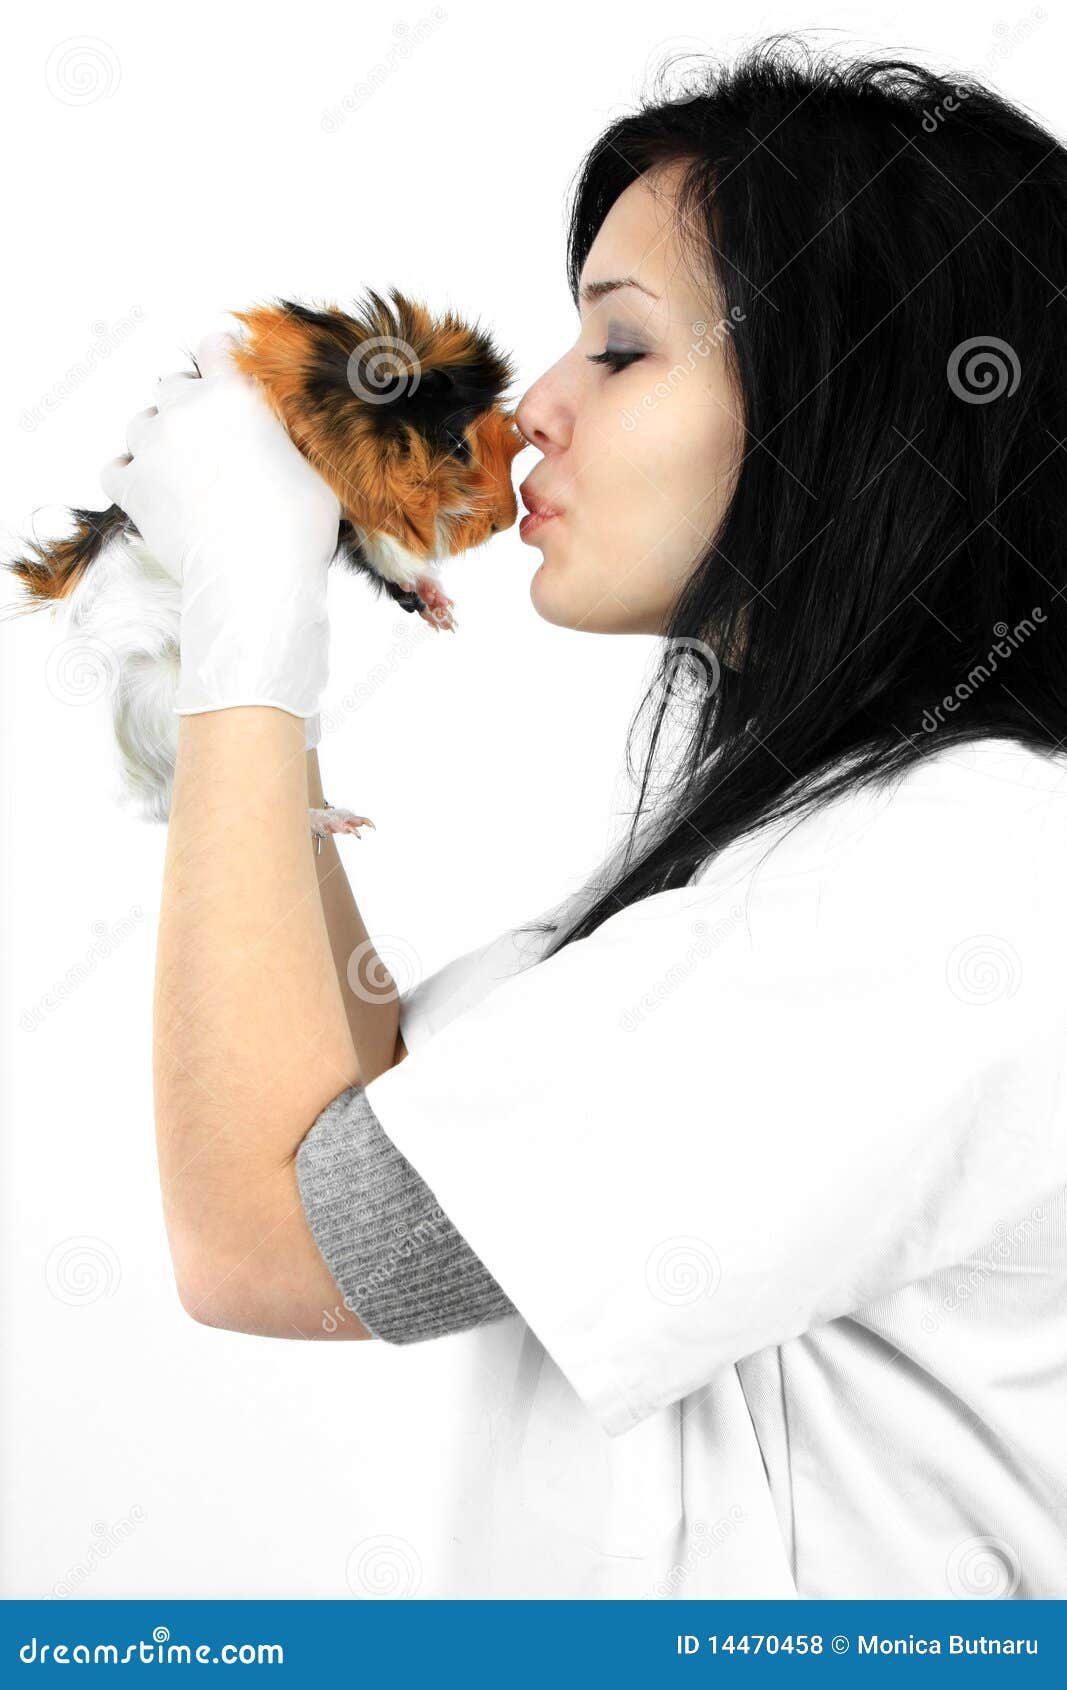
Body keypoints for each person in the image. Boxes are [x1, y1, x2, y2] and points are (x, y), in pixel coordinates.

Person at [103, 37, 1067, 1600]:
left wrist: (250, 627)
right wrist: (254, 658)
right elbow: (351, 1115)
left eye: (621, 353)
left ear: (856, 401)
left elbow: (269, 1238)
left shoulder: (952, 864)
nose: (536, 409)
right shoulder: (809, 845)